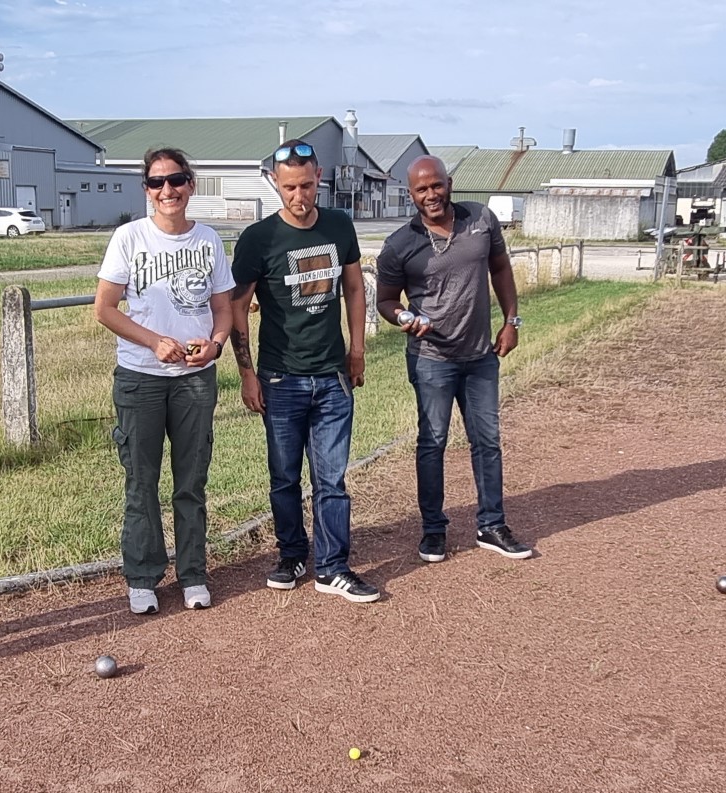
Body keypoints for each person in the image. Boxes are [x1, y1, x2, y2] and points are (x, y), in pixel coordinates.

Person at [229, 140, 379, 603]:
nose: (299, 196)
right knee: (285, 477)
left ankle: (332, 566)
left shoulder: (339, 225)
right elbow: (237, 306)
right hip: (280, 378)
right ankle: (291, 554)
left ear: (320, 179)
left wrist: (357, 349)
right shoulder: (258, 238)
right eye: (289, 187)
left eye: (307, 185)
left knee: (331, 479)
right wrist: (246, 372)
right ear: (276, 184)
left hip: (332, 377)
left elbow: (353, 288)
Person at [93, 148, 235, 615]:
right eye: (156, 183)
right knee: (142, 481)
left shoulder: (209, 240)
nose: (167, 191)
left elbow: (222, 307)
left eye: (176, 181)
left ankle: (193, 573)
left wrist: (215, 344)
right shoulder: (129, 238)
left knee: (191, 481)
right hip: (142, 378)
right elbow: (106, 308)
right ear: (147, 191)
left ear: (190, 185)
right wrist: (155, 342)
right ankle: (142, 575)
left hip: (195, 379)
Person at [374, 154, 535, 564]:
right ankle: (433, 530)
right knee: (433, 442)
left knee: (487, 441)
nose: (431, 195)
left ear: (450, 183)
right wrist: (404, 317)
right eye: (421, 189)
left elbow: (500, 269)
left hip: (480, 355)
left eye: (437, 185)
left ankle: (492, 525)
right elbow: (386, 300)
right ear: (410, 194)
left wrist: (511, 320)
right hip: (431, 359)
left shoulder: (480, 220)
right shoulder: (399, 245)